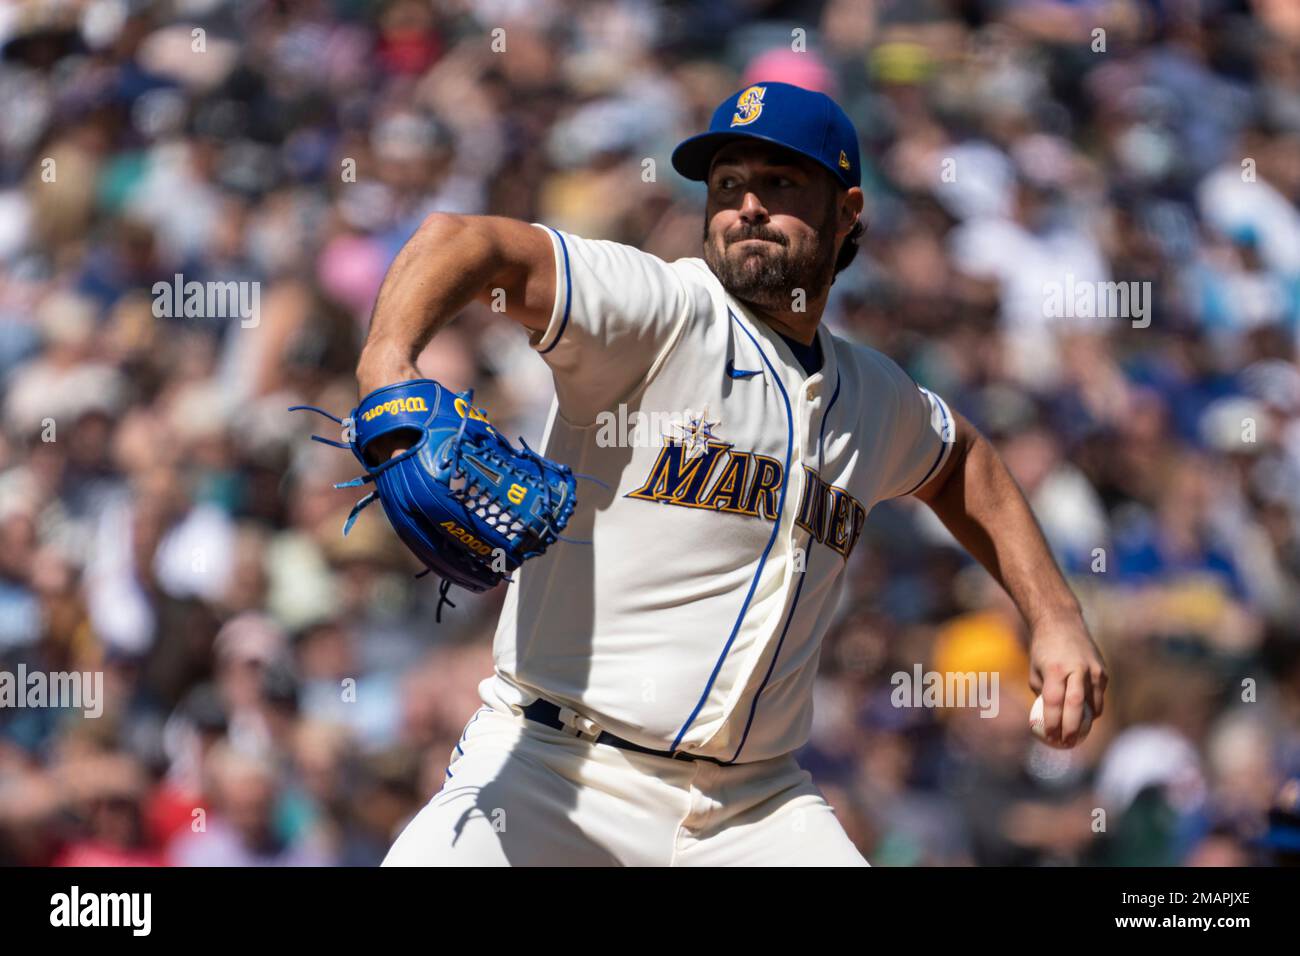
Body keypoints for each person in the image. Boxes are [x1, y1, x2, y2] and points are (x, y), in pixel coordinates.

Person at [357, 82, 1107, 866]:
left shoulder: (874, 395)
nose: (746, 204)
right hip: (556, 769)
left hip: (752, 810)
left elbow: (963, 465)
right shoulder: (660, 308)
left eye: (779, 184)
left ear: (848, 211)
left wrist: (1054, 616)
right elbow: (464, 242)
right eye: (726, 185)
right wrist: (385, 363)